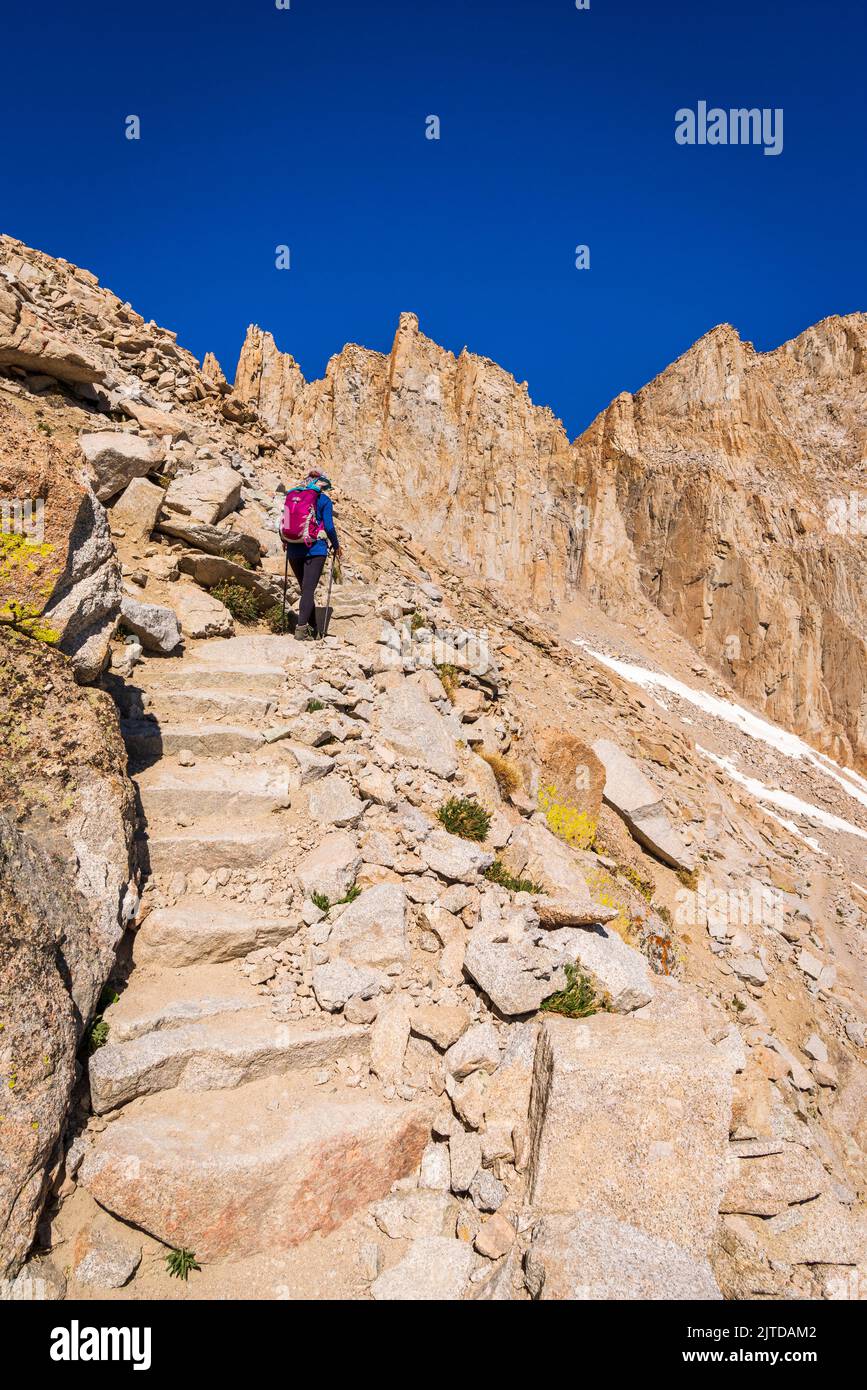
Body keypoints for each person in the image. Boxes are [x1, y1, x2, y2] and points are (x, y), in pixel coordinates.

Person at [280, 470, 341, 640]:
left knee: (305, 590)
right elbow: (329, 527)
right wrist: (336, 546)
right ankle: (301, 631)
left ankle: (314, 629)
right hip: (315, 549)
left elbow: (285, 522)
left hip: (293, 548)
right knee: (308, 590)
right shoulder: (324, 500)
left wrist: (285, 541)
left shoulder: (293, 498)